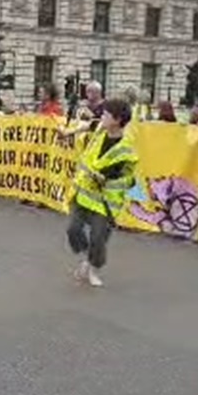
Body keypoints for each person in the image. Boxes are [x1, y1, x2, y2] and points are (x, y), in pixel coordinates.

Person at [58, 99, 138, 287]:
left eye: (106, 114)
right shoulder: (100, 129)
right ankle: (87, 258)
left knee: (98, 238)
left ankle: (93, 268)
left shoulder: (125, 148)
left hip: (105, 201)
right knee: (73, 230)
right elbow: (87, 125)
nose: (102, 116)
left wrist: (106, 179)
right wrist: (67, 132)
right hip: (84, 193)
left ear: (117, 120)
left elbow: (126, 177)